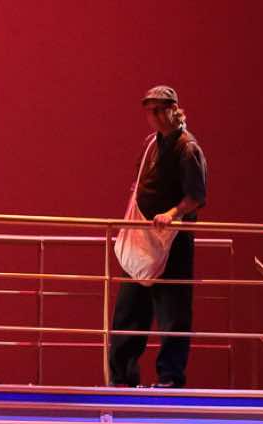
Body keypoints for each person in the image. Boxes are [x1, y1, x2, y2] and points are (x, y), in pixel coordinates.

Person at [107, 85, 207, 389]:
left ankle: (170, 379)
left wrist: (172, 213)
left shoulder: (187, 148)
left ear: (174, 110)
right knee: (129, 311)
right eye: (151, 111)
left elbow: (196, 196)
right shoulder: (151, 143)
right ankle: (122, 380)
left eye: (160, 110)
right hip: (143, 238)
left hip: (172, 241)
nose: (155, 116)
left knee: (172, 312)